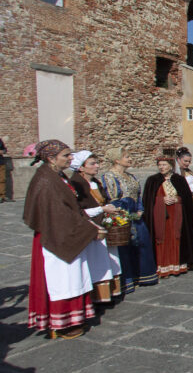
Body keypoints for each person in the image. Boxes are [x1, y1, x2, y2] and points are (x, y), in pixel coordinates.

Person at [24, 140, 102, 339]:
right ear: (51, 158)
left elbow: (70, 207)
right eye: (66, 155)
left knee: (74, 276)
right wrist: (88, 228)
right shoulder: (45, 180)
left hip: (66, 230)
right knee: (62, 279)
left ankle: (73, 318)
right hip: (55, 235)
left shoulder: (58, 176)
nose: (70, 158)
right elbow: (57, 213)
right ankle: (62, 322)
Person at [102, 148, 159, 293]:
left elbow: (138, 195)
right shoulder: (109, 176)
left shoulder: (131, 176)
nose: (130, 159)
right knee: (125, 248)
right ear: (117, 160)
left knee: (142, 243)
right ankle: (127, 280)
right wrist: (125, 212)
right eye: (126, 157)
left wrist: (140, 209)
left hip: (136, 216)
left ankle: (143, 275)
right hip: (122, 216)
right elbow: (113, 198)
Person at [69, 151, 122, 303]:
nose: (97, 166)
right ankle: (97, 296)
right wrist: (101, 209)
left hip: (103, 224)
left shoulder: (95, 183)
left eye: (97, 163)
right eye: (92, 164)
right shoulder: (76, 185)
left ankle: (110, 292)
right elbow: (78, 210)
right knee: (95, 262)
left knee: (108, 259)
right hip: (90, 227)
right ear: (81, 168)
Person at [143, 151, 193, 277]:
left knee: (176, 238)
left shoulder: (179, 180)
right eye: (159, 165)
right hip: (161, 217)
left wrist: (177, 199)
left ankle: (177, 264)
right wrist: (161, 200)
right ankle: (163, 266)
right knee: (162, 239)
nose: (161, 167)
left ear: (170, 166)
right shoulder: (152, 181)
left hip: (177, 216)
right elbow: (148, 201)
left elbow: (186, 199)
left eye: (164, 165)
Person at [0, 135, 10, 202]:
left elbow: (5, 149)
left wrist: (2, 151)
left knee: (2, 179)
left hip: (1, 162)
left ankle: (2, 196)